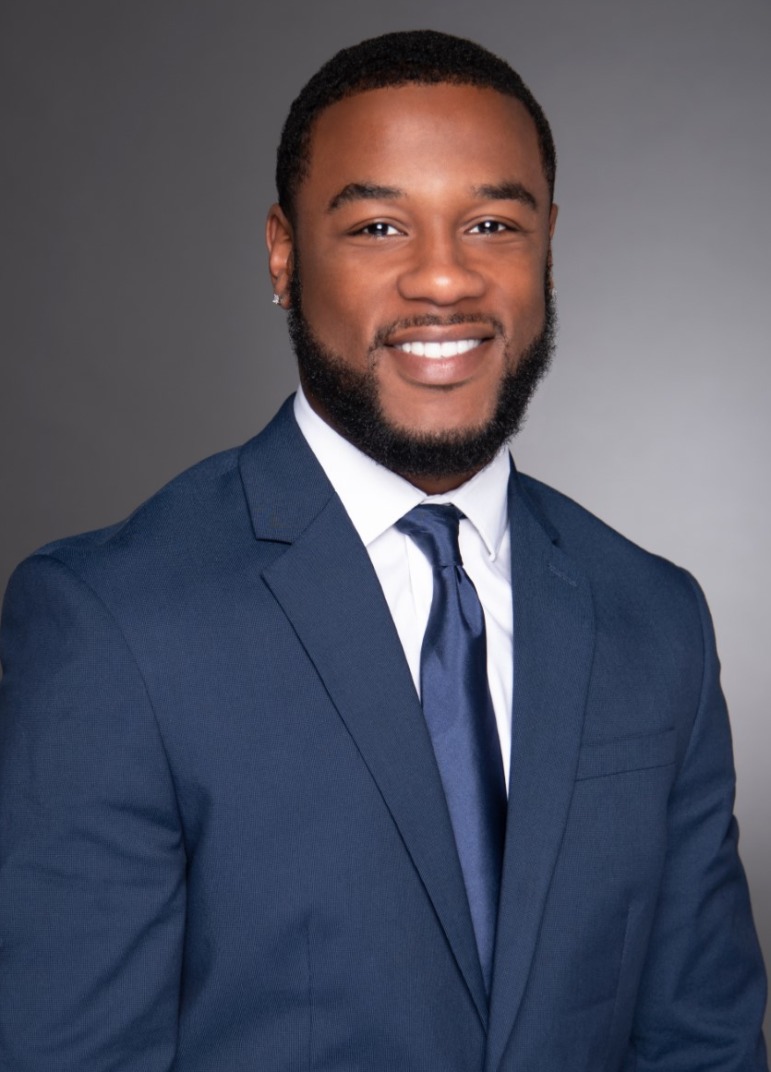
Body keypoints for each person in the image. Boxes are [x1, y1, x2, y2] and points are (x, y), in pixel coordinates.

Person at [0, 28, 767, 1072]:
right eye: (377, 226)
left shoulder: (653, 617)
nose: (443, 280)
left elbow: (704, 1045)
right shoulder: (114, 622)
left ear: (547, 245)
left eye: (492, 222)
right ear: (282, 253)